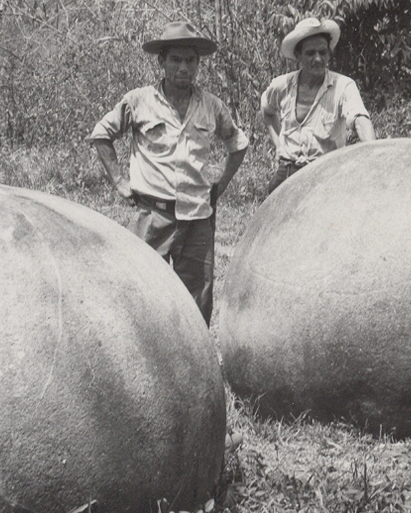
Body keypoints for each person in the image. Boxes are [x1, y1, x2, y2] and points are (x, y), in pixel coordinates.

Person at [89, 21, 248, 326]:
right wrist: (120, 181)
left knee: (197, 296)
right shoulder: (138, 101)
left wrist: (220, 186)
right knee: (142, 290)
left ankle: (196, 363)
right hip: (153, 216)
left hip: (197, 218)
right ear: (161, 62)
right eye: (175, 59)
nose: (183, 67)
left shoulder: (211, 106)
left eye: (190, 60)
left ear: (199, 65)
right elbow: (101, 135)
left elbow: (237, 144)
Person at [261, 17, 376, 194]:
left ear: (329, 54)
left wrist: (374, 152)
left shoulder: (343, 86)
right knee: (270, 217)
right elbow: (267, 110)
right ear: (298, 56)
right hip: (287, 172)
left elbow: (359, 118)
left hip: (326, 174)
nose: (317, 59)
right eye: (310, 53)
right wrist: (278, 145)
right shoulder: (282, 85)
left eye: (323, 52)